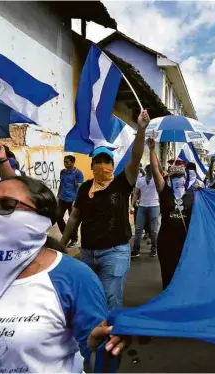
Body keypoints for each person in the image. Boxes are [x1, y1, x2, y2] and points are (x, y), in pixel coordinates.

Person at [0, 176, 128, 372]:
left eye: (6, 205)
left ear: (40, 218)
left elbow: (99, 362)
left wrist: (100, 349)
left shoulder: (74, 278)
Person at [60, 110, 150, 310]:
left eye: (106, 161)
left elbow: (135, 158)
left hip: (114, 252)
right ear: (92, 165)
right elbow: (74, 217)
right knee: (89, 298)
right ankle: (93, 336)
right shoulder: (85, 188)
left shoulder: (122, 183)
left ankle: (110, 337)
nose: (102, 165)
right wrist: (62, 244)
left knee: (110, 300)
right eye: (97, 161)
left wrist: (141, 130)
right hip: (87, 253)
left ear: (113, 164)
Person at [147, 136, 195, 290]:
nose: (177, 179)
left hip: (186, 242)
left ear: (185, 178)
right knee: (168, 275)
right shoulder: (164, 192)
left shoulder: (193, 195)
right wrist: (152, 149)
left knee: (184, 276)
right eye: (174, 176)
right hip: (166, 241)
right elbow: (155, 171)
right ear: (169, 178)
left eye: (180, 176)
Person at [131, 165, 160, 258]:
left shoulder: (157, 180)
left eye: (151, 170)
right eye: (148, 170)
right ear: (146, 170)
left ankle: (154, 249)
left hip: (154, 206)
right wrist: (132, 205)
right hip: (142, 206)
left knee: (154, 230)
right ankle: (136, 250)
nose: (149, 171)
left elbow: (161, 192)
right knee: (138, 229)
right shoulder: (140, 181)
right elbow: (136, 193)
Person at [57, 155, 84, 249]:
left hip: (73, 200)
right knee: (58, 216)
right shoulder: (62, 172)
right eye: (64, 161)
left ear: (73, 162)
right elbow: (61, 184)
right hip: (62, 199)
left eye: (67, 162)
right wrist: (58, 195)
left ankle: (74, 239)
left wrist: (76, 200)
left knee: (73, 220)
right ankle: (66, 235)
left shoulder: (78, 173)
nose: (65, 164)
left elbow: (79, 188)